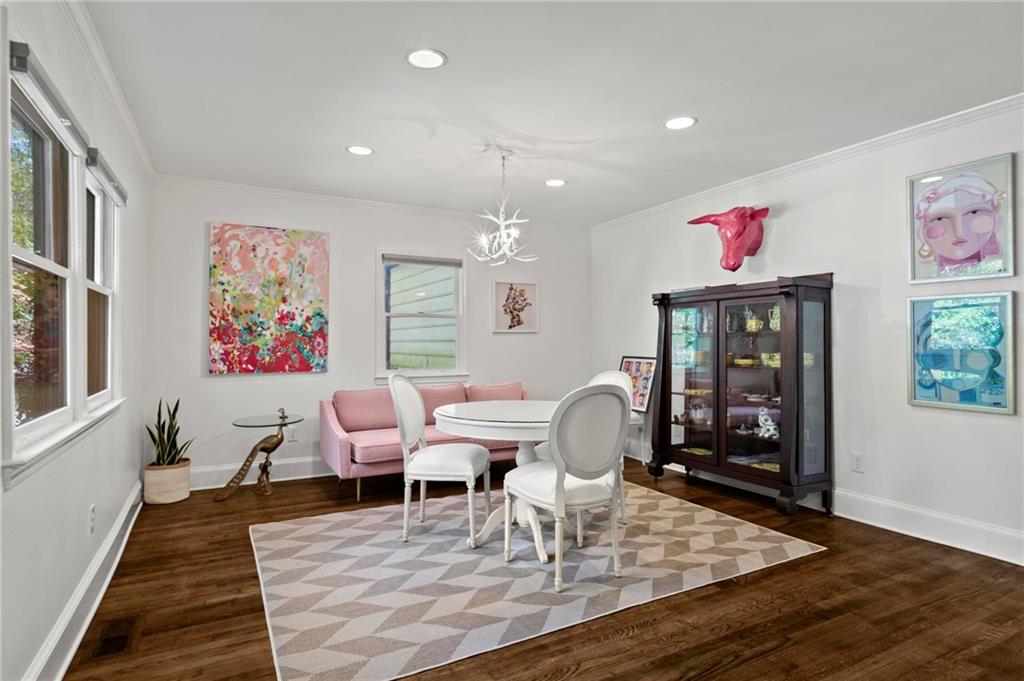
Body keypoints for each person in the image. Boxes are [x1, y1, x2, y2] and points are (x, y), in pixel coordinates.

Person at [915, 171, 1004, 276]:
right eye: (940, 219)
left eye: (973, 212)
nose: (959, 231)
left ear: (994, 219)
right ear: (923, 231)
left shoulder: (996, 268)